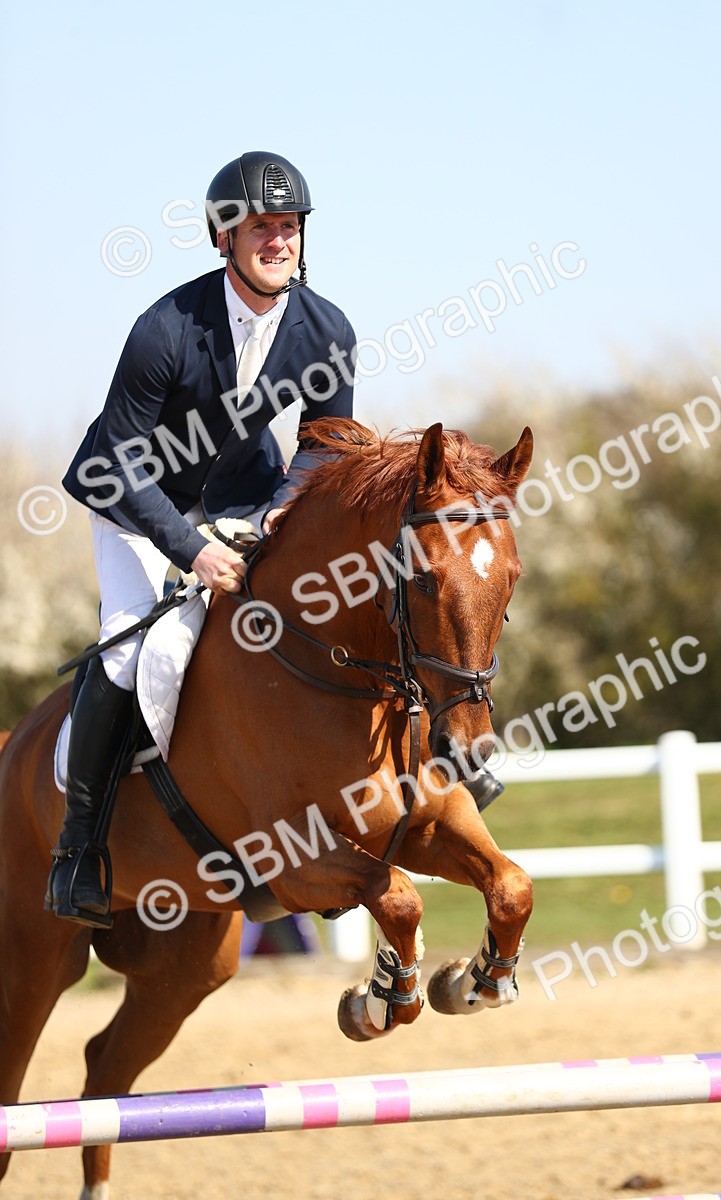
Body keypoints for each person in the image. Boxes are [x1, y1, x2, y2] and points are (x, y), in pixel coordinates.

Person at [47, 150, 502, 930]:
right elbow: (118, 463)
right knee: (131, 650)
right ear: (224, 236)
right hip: (136, 502)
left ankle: (432, 759)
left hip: (243, 497)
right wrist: (191, 551)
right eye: (262, 227)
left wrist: (277, 518)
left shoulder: (326, 326)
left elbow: (326, 443)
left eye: (289, 228)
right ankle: (79, 849)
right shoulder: (166, 328)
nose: (279, 241)